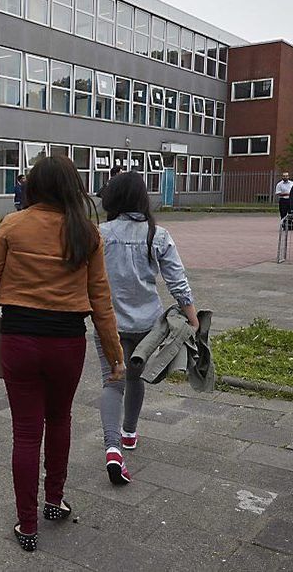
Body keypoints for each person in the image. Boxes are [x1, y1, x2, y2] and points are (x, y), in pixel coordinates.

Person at [0, 156, 123, 552]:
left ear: (33, 187)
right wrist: (115, 356)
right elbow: (101, 301)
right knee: (60, 420)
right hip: (67, 343)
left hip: (19, 339)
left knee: (25, 433)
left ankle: (27, 526)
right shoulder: (87, 232)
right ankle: (54, 502)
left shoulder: (13, 224)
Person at [96, 173, 198, 486]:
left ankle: (112, 447)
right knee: (135, 376)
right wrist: (192, 319)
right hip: (149, 324)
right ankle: (129, 433)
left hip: (108, 322)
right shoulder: (158, 234)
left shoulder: (99, 234)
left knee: (112, 383)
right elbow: (177, 282)